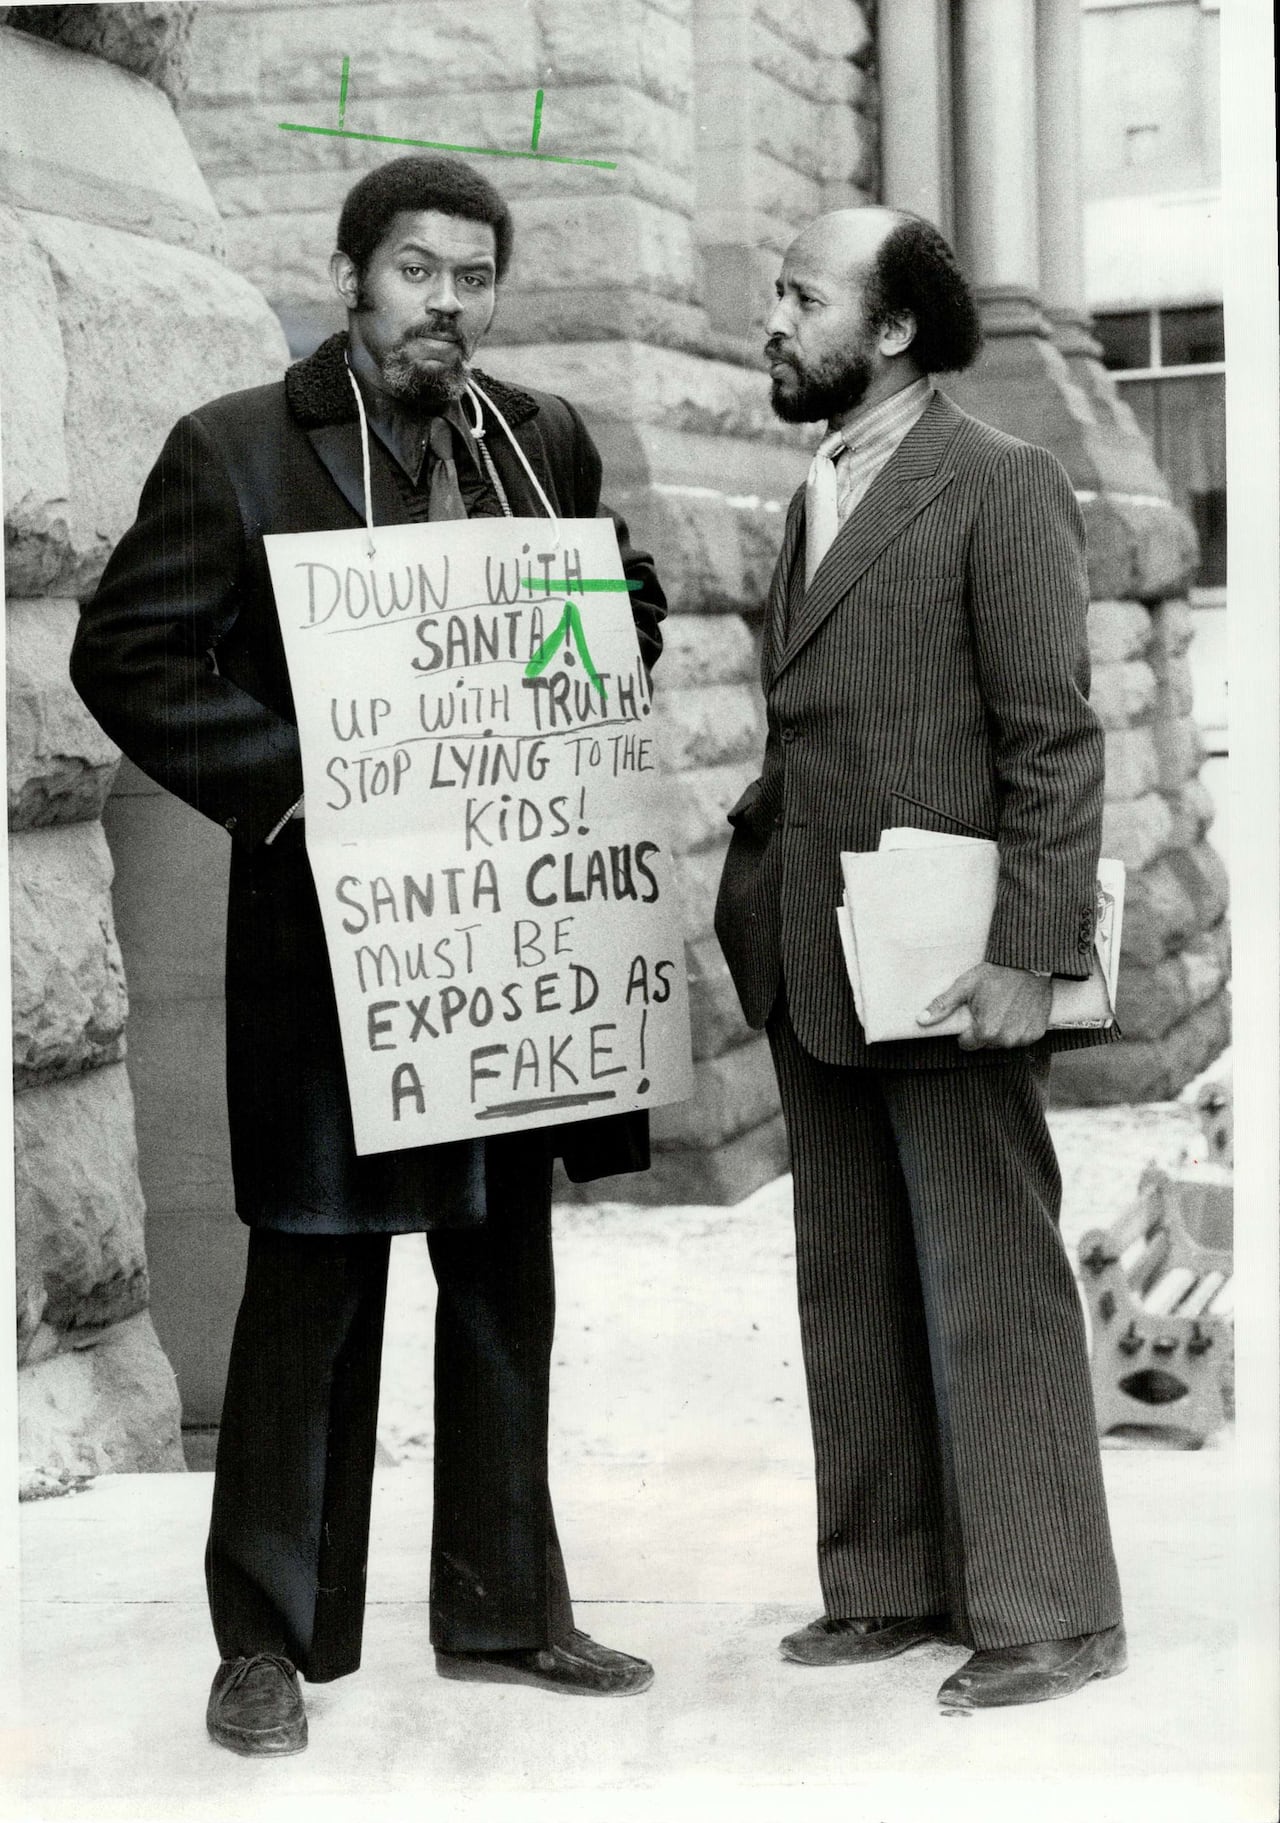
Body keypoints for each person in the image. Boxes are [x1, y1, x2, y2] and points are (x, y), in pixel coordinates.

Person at [71, 155, 666, 1756]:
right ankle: (265, 1643)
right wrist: (299, 791)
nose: (447, 305)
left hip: (502, 943)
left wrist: (612, 613)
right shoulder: (237, 451)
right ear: (350, 279)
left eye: (474, 277)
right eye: (417, 272)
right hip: (336, 955)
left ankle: (504, 1609)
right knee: (313, 1287)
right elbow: (123, 650)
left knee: (501, 1275)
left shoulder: (540, 443)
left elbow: (614, 613)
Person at [714, 207, 1126, 1712]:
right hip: (814, 955)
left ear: (889, 331)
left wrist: (1032, 952)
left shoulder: (1003, 483)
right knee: (852, 1277)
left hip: (951, 963)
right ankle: (885, 1584)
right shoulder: (817, 485)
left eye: (800, 295)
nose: (772, 315)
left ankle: (1050, 1609)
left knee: (987, 1277)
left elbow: (1053, 739)